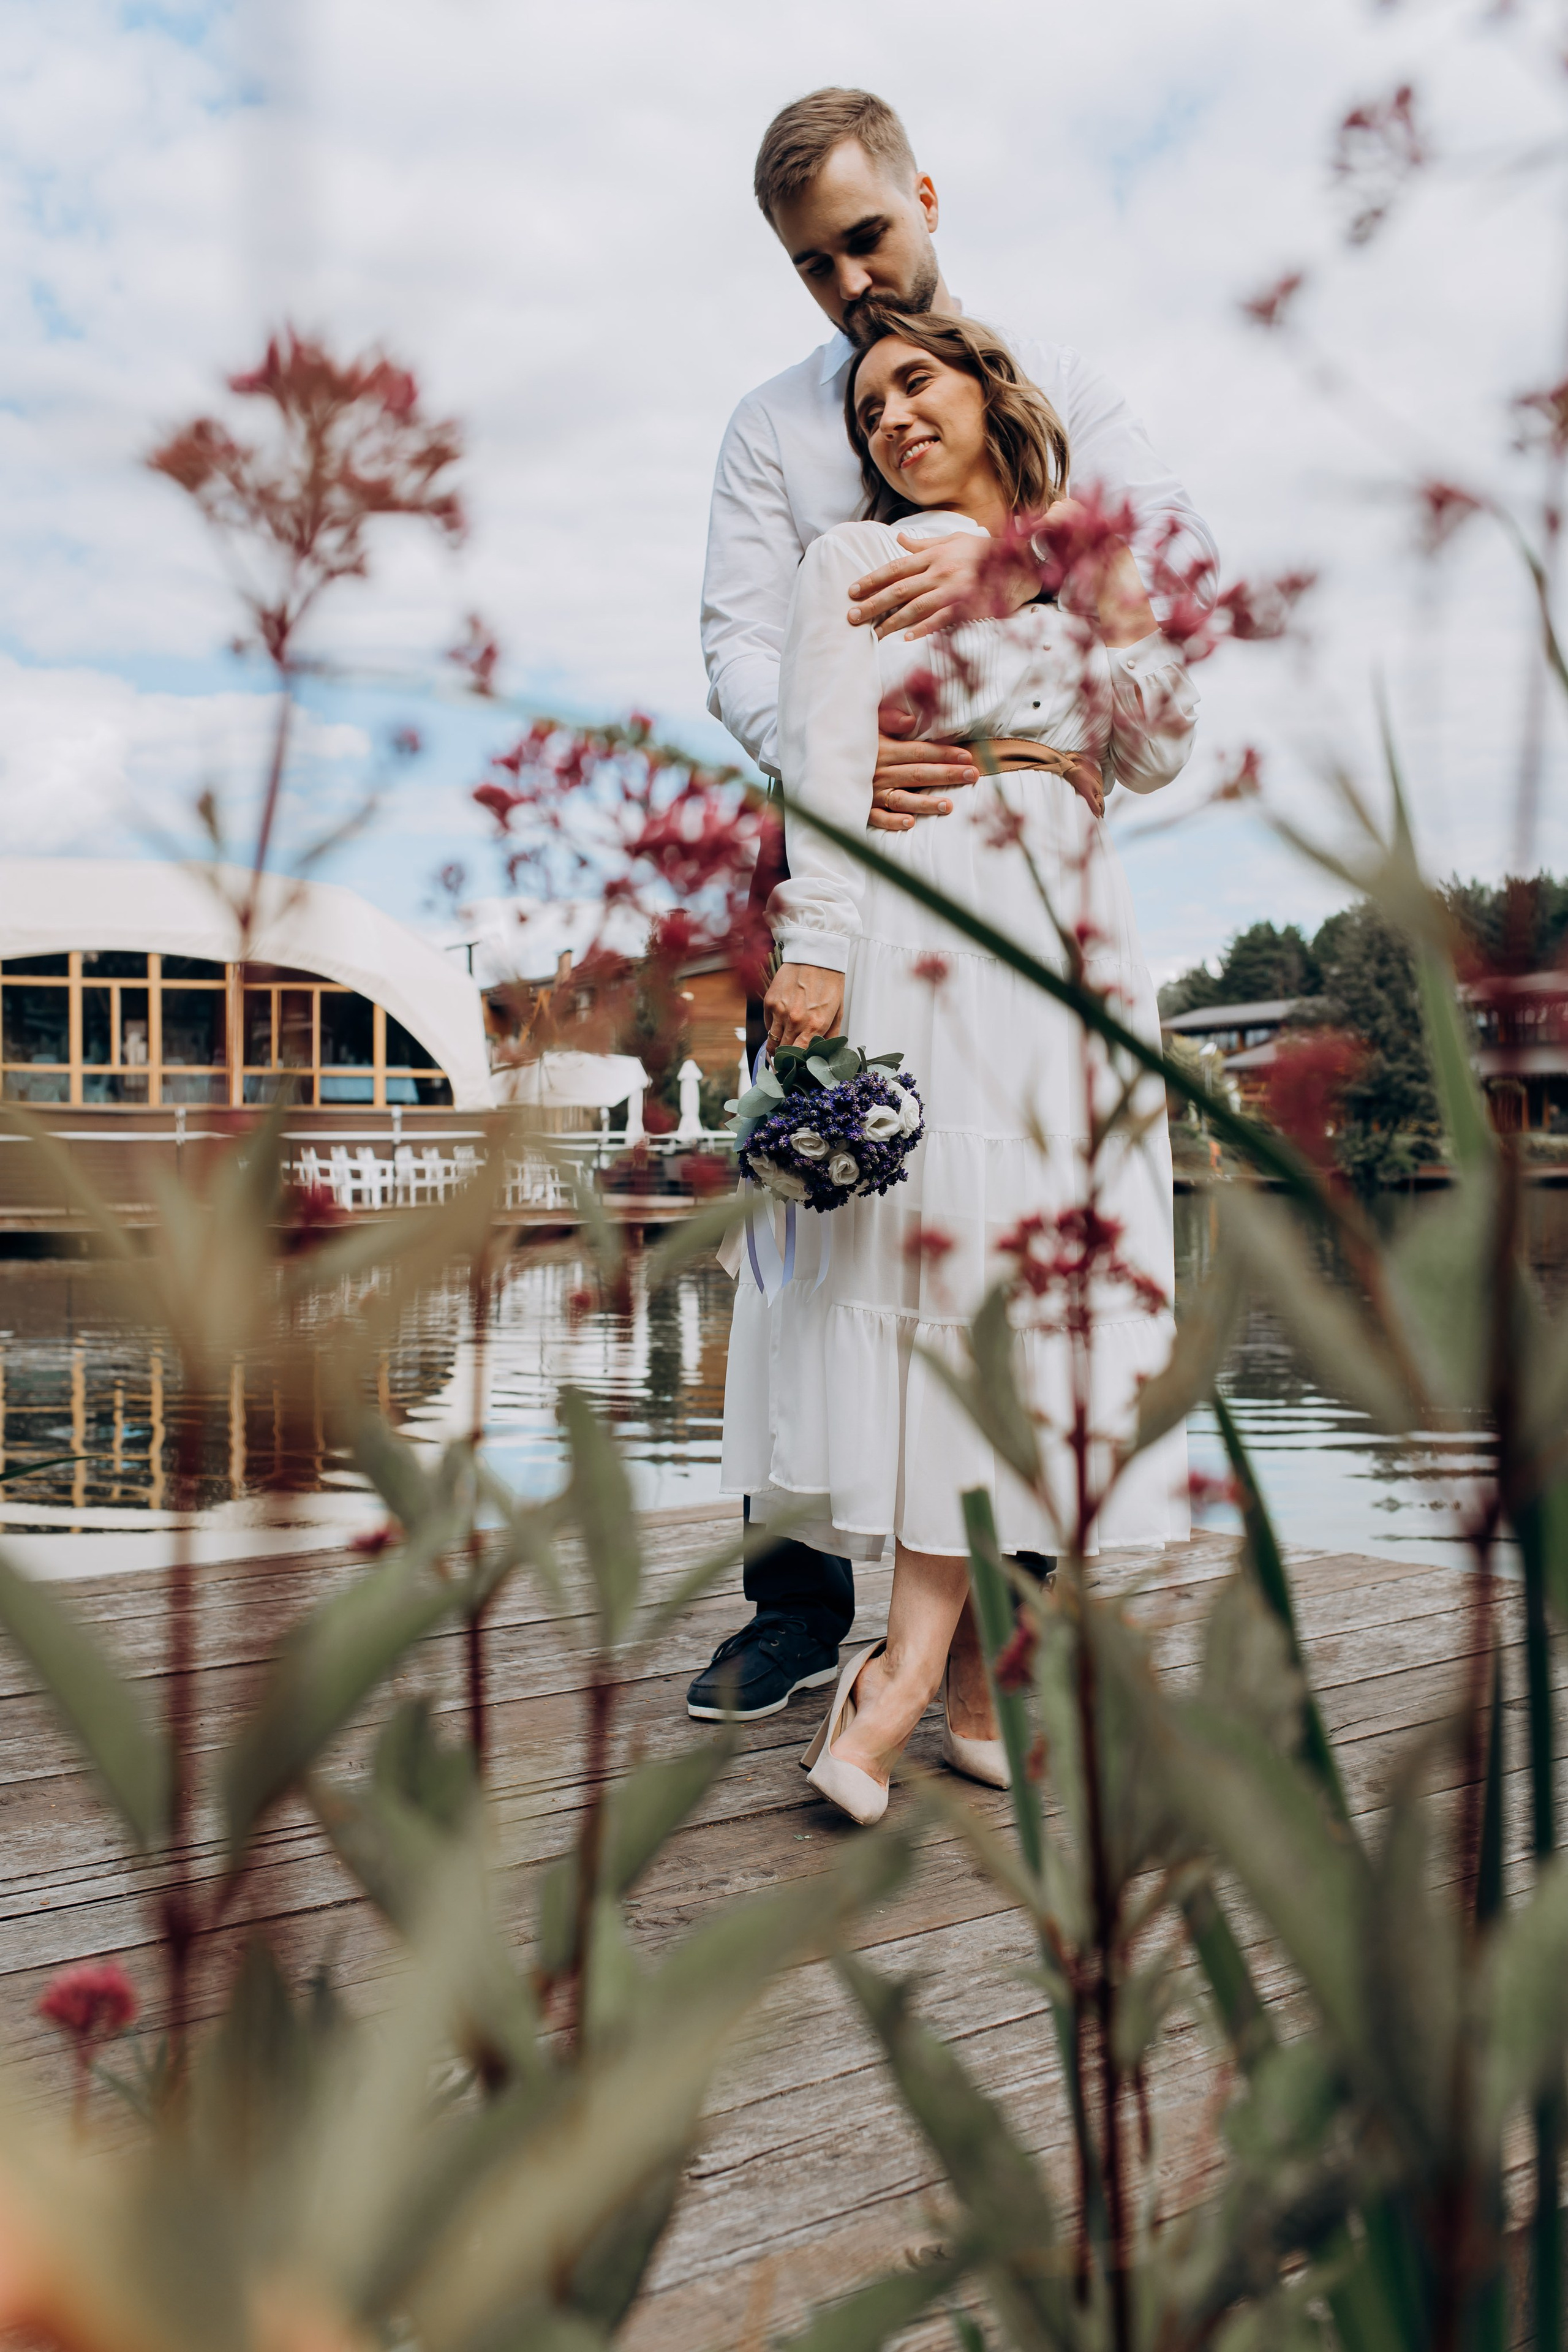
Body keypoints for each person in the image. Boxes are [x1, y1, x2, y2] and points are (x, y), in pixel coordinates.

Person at [686, 86, 1214, 1726]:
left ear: (925, 193)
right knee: (817, 1215)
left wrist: (1012, 557)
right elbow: (738, 650)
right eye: (814, 266)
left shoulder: (1038, 377)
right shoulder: (771, 429)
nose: (850, 283)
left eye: (867, 238)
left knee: (1010, 1212)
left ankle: (999, 1623)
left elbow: (1171, 566)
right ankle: (797, 1592)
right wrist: (848, 769)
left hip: (1021, 873)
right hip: (858, 846)